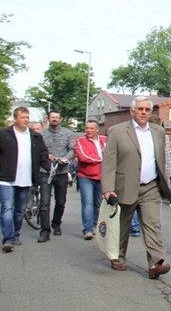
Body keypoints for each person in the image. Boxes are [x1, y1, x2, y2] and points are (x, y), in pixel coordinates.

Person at [101, 96, 171, 279]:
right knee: (123, 224)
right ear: (132, 111)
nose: (143, 112)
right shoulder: (117, 131)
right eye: (140, 109)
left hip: (150, 187)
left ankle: (156, 262)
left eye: (147, 110)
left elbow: (161, 159)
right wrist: (108, 188)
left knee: (152, 224)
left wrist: (165, 181)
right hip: (124, 185)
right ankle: (117, 256)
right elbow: (109, 162)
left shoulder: (157, 131)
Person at [0, 107, 50, 252]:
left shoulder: (35, 137)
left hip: (25, 178)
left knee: (20, 210)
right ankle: (8, 239)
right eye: (23, 117)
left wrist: (48, 168)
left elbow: (43, 155)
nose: (26, 120)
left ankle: (15, 234)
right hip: (6, 179)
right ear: (15, 119)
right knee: (7, 208)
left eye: (27, 117)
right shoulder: (4, 134)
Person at [38, 110, 75, 242]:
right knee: (44, 203)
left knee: (60, 202)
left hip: (62, 172)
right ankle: (44, 231)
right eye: (52, 117)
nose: (54, 119)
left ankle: (56, 223)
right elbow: (38, 150)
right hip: (45, 171)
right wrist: (47, 156)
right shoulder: (41, 134)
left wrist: (65, 159)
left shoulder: (68, 133)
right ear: (48, 119)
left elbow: (72, 150)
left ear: (60, 119)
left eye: (57, 118)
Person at [73, 120, 106, 240]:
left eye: (91, 128)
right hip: (85, 176)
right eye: (87, 128)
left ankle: (94, 225)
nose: (89, 130)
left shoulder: (104, 140)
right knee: (87, 203)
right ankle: (87, 230)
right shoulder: (80, 141)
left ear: (97, 129)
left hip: (101, 176)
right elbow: (83, 157)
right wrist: (101, 158)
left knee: (98, 203)